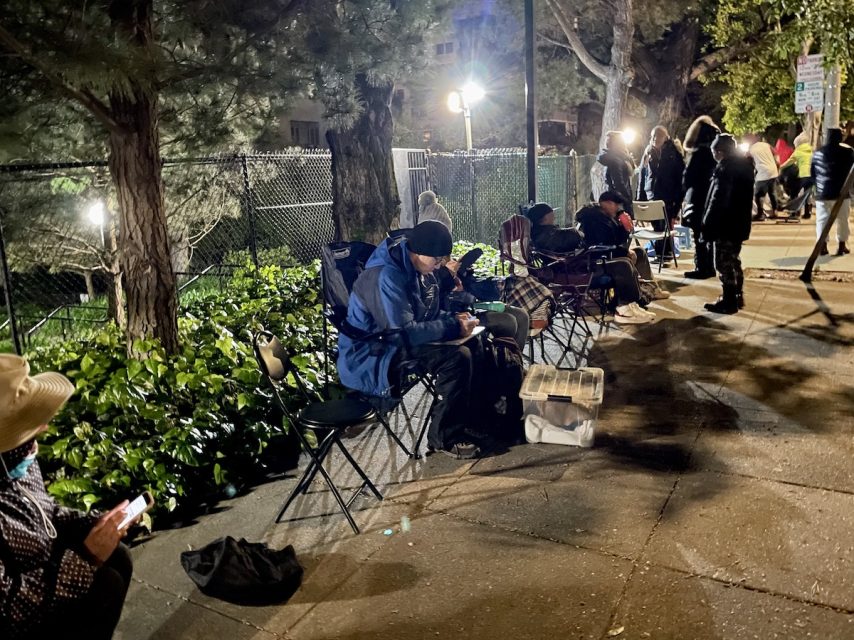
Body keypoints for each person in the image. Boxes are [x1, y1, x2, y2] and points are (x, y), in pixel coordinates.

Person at [0, 354, 135, 640]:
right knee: (104, 583)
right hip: (18, 615)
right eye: (27, 423)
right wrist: (85, 559)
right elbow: (9, 608)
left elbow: (45, 510)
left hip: (41, 571)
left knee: (118, 557)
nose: (44, 427)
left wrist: (95, 524)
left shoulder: (16, 459)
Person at [338, 221, 484, 459]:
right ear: (417, 252)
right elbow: (403, 333)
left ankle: (469, 421)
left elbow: (422, 315)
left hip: (393, 341)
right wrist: (453, 327)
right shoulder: (386, 276)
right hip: (373, 353)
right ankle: (444, 438)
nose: (439, 266)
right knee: (457, 358)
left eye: (441, 260)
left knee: (475, 344)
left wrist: (454, 319)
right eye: (436, 260)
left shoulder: (413, 267)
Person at [526, 200, 654, 324]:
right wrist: (578, 233)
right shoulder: (546, 236)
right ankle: (625, 309)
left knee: (624, 261)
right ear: (545, 217)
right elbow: (570, 240)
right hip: (574, 273)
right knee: (622, 265)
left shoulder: (547, 233)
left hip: (575, 267)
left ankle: (633, 302)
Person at [701, 134, 755, 314]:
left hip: (725, 223)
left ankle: (729, 299)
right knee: (733, 259)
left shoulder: (725, 169)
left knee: (723, 262)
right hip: (739, 222)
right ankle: (737, 295)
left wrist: (707, 225)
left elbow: (718, 200)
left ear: (719, 152)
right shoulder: (744, 166)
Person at [681, 115, 720, 279]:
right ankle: (710, 266)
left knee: (699, 235)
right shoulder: (716, 154)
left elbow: (688, 179)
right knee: (709, 235)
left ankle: (702, 267)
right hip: (713, 198)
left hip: (698, 199)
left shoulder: (699, 155)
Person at [637, 126, 685, 258]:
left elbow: (680, 179)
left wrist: (677, 204)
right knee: (657, 227)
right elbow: (642, 175)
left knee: (666, 227)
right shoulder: (648, 152)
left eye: (658, 136)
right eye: (653, 136)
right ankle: (660, 252)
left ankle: (664, 253)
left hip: (667, 196)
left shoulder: (673, 153)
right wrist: (640, 199)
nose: (654, 139)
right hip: (652, 195)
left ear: (665, 137)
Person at [810, 128, 854, 256]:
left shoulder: (817, 153)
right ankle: (841, 246)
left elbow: (813, 174)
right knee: (843, 220)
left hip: (822, 194)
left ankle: (822, 246)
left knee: (822, 220)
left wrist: (817, 188)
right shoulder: (848, 152)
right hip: (841, 193)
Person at [597, 131, 635, 216]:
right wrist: (627, 199)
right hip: (618, 201)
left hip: (613, 200)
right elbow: (618, 183)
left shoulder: (613, 159)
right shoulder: (616, 160)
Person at [747, 132, 781, 221]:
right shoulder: (766, 145)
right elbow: (776, 153)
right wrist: (777, 164)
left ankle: (760, 214)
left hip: (763, 173)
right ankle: (775, 212)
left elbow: (747, 160)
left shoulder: (751, 149)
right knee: (772, 193)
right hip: (773, 171)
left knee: (758, 195)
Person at [780, 132, 814, 218]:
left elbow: (789, 162)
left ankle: (794, 212)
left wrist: (780, 167)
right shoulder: (811, 150)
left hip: (803, 175)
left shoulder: (798, 151)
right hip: (812, 175)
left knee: (795, 193)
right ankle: (807, 213)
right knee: (807, 194)